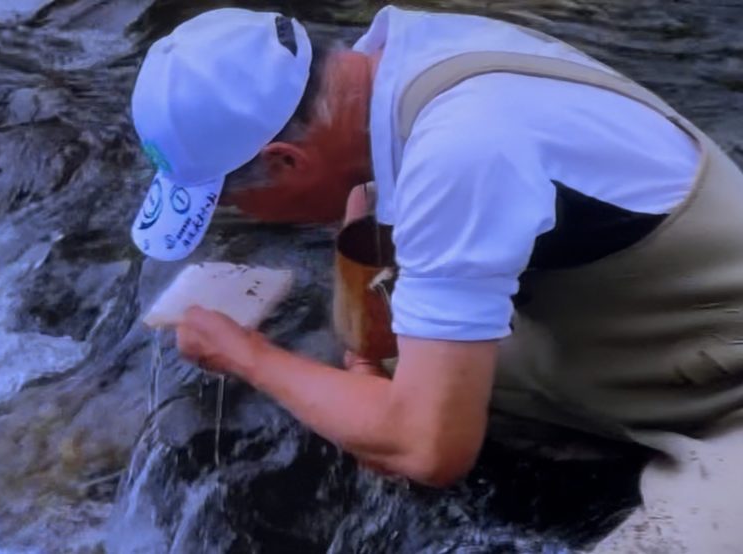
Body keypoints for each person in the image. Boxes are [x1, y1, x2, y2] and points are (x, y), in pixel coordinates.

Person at [127, 7, 743, 553]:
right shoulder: (388, 66)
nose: (243, 217)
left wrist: (246, 355)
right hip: (648, 341)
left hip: (725, 393)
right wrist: (365, 360)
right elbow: (369, 212)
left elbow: (428, 450)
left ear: (285, 161)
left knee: (405, 421)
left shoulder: (459, 151)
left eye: (232, 203)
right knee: (382, 378)